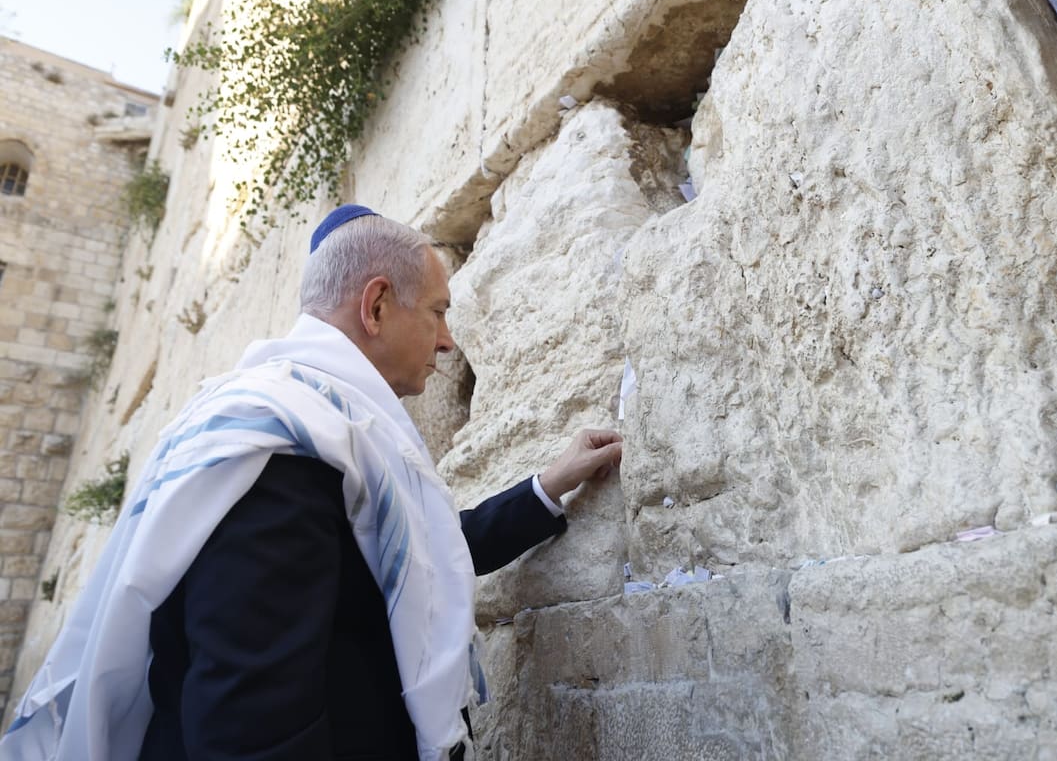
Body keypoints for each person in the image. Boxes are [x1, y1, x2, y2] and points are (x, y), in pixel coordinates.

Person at [1, 205, 623, 761]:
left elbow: (415, 555)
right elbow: (250, 718)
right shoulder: (279, 447)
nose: (446, 339)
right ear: (376, 306)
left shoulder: (325, 431)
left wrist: (547, 484)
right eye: (437, 311)